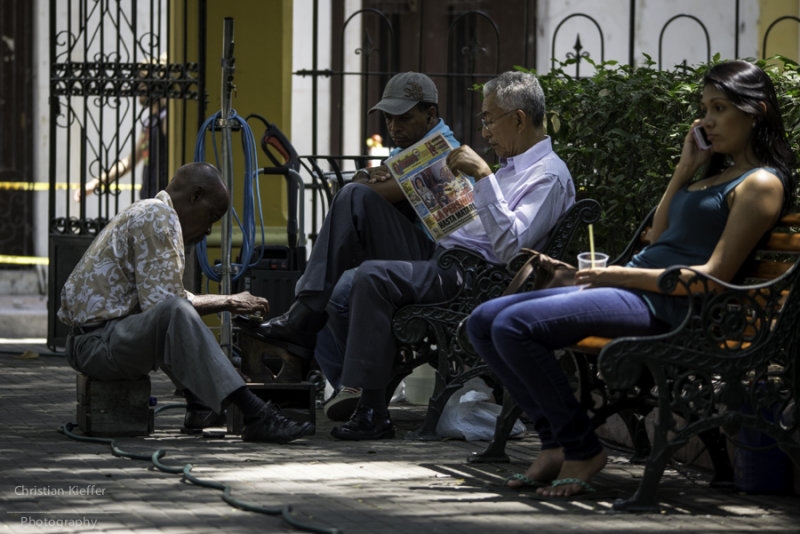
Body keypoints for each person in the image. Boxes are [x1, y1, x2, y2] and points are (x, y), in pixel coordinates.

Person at [465, 60, 795, 498]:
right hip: (636, 291)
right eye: (704, 109)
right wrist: (685, 168)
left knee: (513, 325)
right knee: (483, 321)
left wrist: (618, 274)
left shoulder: (760, 184)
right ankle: (554, 443)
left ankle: (579, 448)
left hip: (672, 306)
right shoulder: (712, 176)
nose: (707, 121)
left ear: (756, 112)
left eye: (719, 109)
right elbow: (660, 236)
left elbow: (714, 278)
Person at [238, 70, 576, 440]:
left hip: (474, 275)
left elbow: (511, 249)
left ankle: (368, 404)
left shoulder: (548, 176)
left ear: (518, 119)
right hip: (445, 254)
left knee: (371, 276)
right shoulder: (514, 166)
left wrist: (482, 177)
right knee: (356, 198)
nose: (484, 131)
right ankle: (308, 318)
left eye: (488, 119)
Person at [59, 162, 314, 443]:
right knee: (175, 312)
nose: (208, 230)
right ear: (195, 196)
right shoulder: (156, 215)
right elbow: (167, 306)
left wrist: (226, 305)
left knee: (176, 314)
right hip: (95, 345)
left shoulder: (152, 212)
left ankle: (200, 406)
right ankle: (256, 414)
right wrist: (227, 301)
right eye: (211, 216)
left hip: (98, 341)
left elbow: (166, 302)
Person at [308, 72, 461, 419]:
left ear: (431, 115)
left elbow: (368, 193)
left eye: (404, 117)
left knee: (352, 198)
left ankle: (356, 382)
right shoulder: (405, 150)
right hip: (407, 257)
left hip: (436, 264)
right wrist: (367, 177)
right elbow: (374, 183)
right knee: (329, 295)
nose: (394, 125)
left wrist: (365, 180)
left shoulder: (440, 148)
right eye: (389, 117)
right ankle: (352, 387)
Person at [74, 57, 169, 202]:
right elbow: (130, 161)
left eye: (142, 82)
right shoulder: (149, 121)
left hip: (164, 202)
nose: (138, 88)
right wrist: (95, 183)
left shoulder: (166, 118)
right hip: (150, 200)